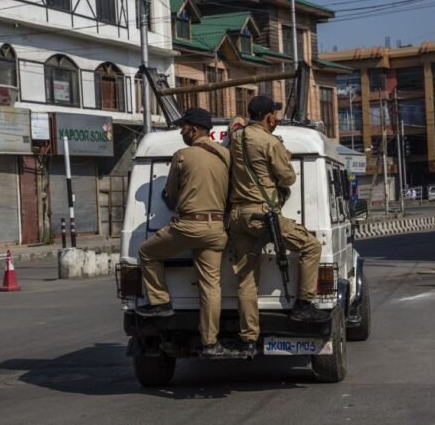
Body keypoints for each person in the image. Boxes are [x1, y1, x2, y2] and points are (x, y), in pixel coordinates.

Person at [229, 95, 329, 357]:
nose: (277, 118)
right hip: (264, 217)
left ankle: (249, 339)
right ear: (268, 117)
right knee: (311, 246)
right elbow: (288, 178)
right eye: (275, 114)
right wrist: (284, 156)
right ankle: (303, 304)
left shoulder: (235, 138)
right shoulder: (269, 142)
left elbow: (235, 124)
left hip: (238, 217)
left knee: (247, 282)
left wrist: (238, 120)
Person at [136, 107, 230, 357]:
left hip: (190, 226)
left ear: (195, 129)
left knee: (146, 253)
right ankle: (210, 343)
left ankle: (161, 303)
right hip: (217, 228)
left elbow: (171, 194)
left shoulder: (183, 155)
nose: (181, 131)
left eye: (184, 127)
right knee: (211, 287)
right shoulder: (225, 155)